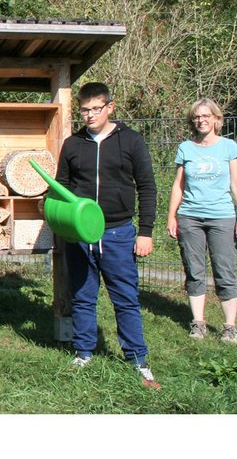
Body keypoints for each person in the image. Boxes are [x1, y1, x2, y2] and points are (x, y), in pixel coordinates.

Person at [56, 82, 161, 389]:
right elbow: (62, 184)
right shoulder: (73, 145)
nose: (89, 115)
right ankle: (84, 351)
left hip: (118, 232)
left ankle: (138, 359)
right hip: (81, 235)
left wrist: (145, 232)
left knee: (125, 298)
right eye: (84, 110)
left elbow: (147, 187)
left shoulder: (130, 141)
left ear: (110, 107)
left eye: (95, 109)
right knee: (83, 296)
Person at [166, 98, 237, 344]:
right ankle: (198, 323)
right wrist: (172, 216)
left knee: (225, 270)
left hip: (222, 216)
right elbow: (178, 186)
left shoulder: (229, 147)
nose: (201, 120)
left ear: (216, 119)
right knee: (194, 270)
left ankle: (229, 326)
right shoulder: (185, 148)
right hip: (189, 216)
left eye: (205, 116)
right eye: (196, 117)